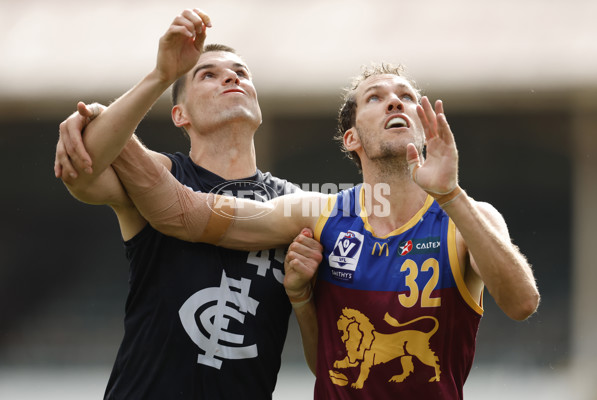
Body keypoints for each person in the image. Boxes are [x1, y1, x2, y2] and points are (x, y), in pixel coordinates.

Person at [101, 61, 541, 399]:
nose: (394, 102)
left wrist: (450, 195)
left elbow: (522, 303)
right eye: (375, 98)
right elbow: (184, 214)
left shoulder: (468, 216)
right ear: (351, 138)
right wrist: (107, 126)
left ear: (425, 128)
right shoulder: (320, 214)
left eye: (406, 97)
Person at [54, 8, 323, 399]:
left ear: (258, 109)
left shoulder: (294, 204)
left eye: (241, 73)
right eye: (207, 74)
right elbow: (84, 171)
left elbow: (326, 364)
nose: (232, 77)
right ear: (180, 115)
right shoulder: (161, 174)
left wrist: (303, 296)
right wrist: (161, 75)